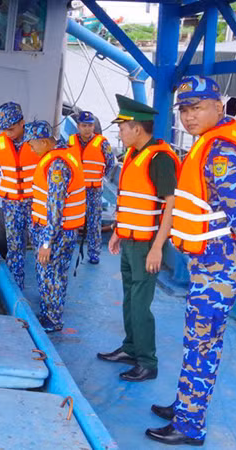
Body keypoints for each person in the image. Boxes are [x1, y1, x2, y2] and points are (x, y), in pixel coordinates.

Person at [146, 76, 236, 446]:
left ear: (218, 107)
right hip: (212, 260)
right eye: (184, 110)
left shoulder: (221, 151)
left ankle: (190, 426)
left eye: (197, 107)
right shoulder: (216, 140)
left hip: (222, 263)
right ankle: (186, 403)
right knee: (197, 338)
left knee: (202, 342)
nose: (189, 117)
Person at [96, 96, 179, 383]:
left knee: (141, 304)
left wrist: (158, 247)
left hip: (147, 244)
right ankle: (131, 348)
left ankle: (147, 362)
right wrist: (119, 230)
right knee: (130, 298)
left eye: (123, 127)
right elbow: (132, 200)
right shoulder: (132, 155)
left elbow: (171, 205)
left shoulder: (160, 159)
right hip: (130, 240)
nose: (119, 133)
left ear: (137, 129)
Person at [27, 120, 86, 332]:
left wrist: (46, 242)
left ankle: (52, 320)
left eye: (32, 145)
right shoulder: (65, 154)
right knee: (57, 274)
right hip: (65, 230)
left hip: (56, 232)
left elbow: (55, 206)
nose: (31, 149)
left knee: (50, 274)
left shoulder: (57, 165)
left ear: (43, 142)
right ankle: (52, 314)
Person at [0, 102, 37, 289]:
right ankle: (17, 289)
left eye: (11, 128)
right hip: (9, 204)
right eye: (4, 129)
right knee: (13, 249)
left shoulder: (38, 141)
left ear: (22, 123)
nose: (8, 132)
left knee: (39, 247)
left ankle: (45, 291)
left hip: (34, 204)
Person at [67, 111, 114, 264]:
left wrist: (99, 177)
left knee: (94, 222)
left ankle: (94, 253)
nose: (87, 129)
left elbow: (110, 163)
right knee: (72, 221)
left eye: (90, 125)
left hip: (94, 190)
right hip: (75, 189)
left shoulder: (102, 143)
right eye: (84, 125)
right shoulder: (70, 141)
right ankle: (68, 250)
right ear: (78, 126)